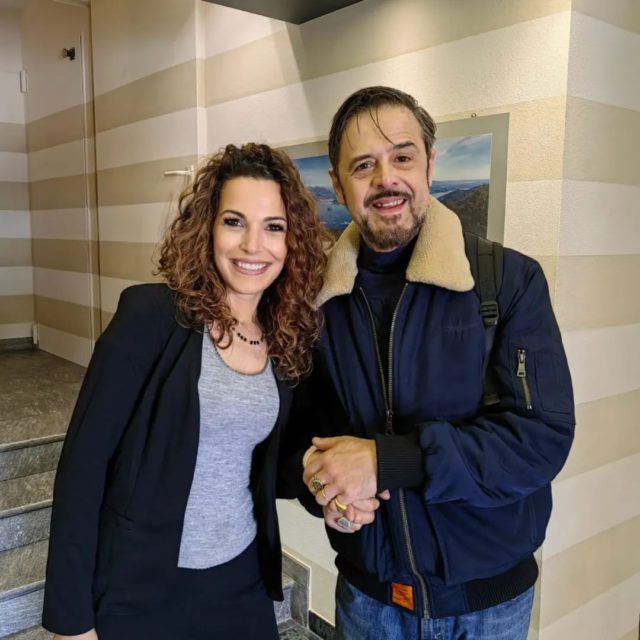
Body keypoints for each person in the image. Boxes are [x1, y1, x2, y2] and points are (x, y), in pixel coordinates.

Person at [295, 87, 575, 639]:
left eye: (402, 156)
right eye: (363, 165)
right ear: (337, 183)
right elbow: (302, 433)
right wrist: (323, 486)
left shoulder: (507, 281)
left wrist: (387, 461)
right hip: (369, 602)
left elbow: (541, 438)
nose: (386, 179)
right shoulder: (317, 300)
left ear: (429, 163)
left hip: (489, 609)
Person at [42, 143, 329, 640]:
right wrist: (71, 623)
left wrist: (326, 485)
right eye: (234, 222)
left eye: (273, 227)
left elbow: (269, 464)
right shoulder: (150, 317)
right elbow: (83, 467)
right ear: (208, 227)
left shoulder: (285, 337)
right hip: (142, 584)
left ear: (292, 241)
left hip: (240, 578)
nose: (253, 245)